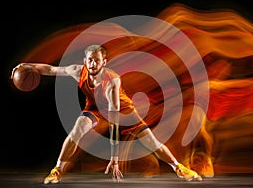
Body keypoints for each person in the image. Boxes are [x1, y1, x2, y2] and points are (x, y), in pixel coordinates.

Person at [11, 44, 203, 184]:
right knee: (75, 132)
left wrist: (115, 158)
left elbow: (114, 121)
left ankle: (179, 168)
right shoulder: (78, 71)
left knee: (152, 143)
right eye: (89, 60)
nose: (92, 63)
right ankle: (57, 171)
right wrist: (26, 66)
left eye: (96, 60)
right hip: (95, 108)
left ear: (104, 61)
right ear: (85, 61)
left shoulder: (112, 82)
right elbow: (50, 69)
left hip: (123, 111)